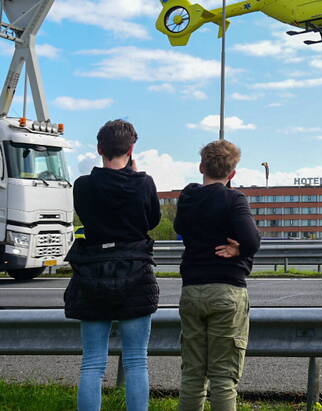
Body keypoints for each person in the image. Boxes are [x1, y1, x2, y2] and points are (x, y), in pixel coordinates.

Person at [64, 119, 161, 411]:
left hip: (93, 272)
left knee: (92, 362)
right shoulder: (144, 183)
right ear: (131, 150)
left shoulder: (82, 186)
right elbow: (153, 220)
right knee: (136, 361)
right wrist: (133, 171)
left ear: (99, 149)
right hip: (135, 271)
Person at [174, 140, 260, 411]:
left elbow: (179, 227)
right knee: (223, 378)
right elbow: (252, 241)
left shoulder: (188, 199)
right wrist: (238, 250)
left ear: (201, 166)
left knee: (192, 375)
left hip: (192, 291)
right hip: (226, 291)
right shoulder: (234, 199)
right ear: (232, 173)